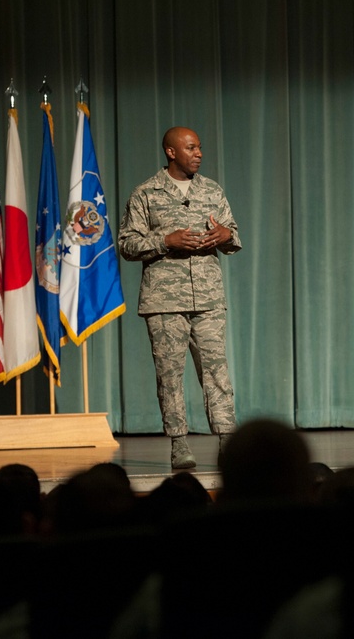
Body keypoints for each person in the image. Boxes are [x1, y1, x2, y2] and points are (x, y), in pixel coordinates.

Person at [118, 126, 242, 469]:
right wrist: (164, 241)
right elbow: (127, 244)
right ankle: (178, 443)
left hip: (207, 298)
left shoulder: (212, 191)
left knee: (216, 371)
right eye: (191, 148)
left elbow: (233, 235)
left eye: (200, 147)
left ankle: (227, 439)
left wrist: (224, 235)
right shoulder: (146, 193)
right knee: (169, 374)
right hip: (164, 301)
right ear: (171, 152)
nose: (199, 153)